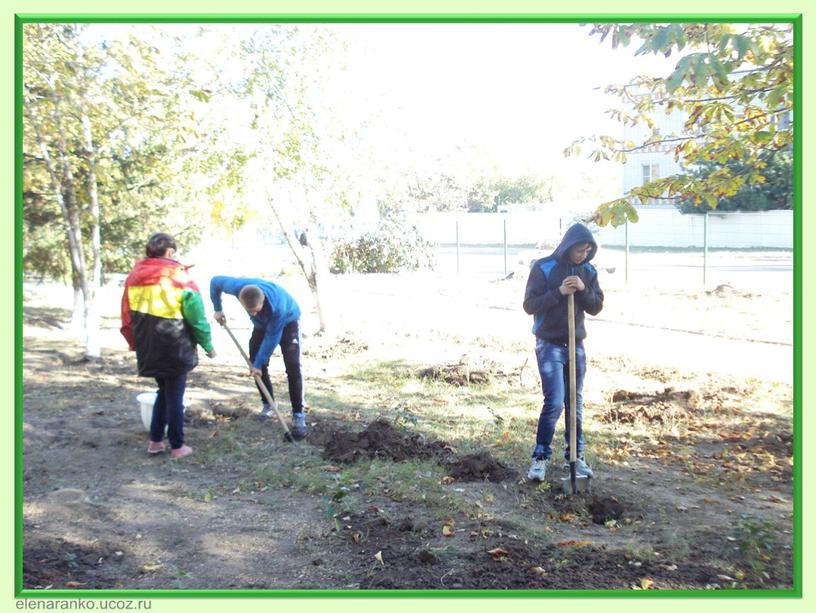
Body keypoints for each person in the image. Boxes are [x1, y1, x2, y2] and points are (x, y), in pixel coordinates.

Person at [120, 232, 216, 460]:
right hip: (175, 346)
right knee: (175, 395)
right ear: (170, 252)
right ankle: (177, 445)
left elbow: (126, 317)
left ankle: (155, 441)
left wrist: (135, 343)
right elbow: (197, 318)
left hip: (149, 347)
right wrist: (208, 345)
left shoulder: (134, 277)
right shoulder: (179, 278)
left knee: (163, 391)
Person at [522, 223, 604, 481]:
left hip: (575, 346)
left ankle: (576, 456)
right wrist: (558, 292)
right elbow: (529, 305)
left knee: (574, 403)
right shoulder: (543, 267)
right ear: (569, 246)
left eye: (587, 250)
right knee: (555, 402)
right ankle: (540, 457)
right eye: (580, 250)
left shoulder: (588, 271)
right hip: (549, 344)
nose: (583, 255)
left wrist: (582, 288)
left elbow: (596, 307)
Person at [209, 276, 307, 440]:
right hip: (262, 325)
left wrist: (259, 363)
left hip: (288, 321)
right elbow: (215, 282)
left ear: (262, 302)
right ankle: (268, 405)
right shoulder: (237, 286)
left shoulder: (277, 307)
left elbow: (271, 338)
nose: (252, 313)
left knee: (293, 365)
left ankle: (298, 414)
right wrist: (217, 308)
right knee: (255, 362)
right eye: (249, 311)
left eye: (256, 310)